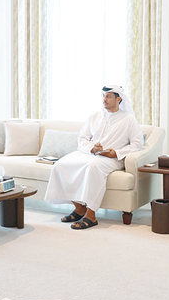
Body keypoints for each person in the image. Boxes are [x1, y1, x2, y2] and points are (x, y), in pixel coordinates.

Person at [44, 85, 144, 230]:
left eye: (108, 96)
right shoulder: (95, 116)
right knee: (61, 165)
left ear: (119, 99)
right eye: (103, 96)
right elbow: (82, 138)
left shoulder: (128, 119)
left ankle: (91, 215)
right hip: (90, 154)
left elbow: (137, 144)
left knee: (93, 167)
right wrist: (92, 148)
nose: (104, 99)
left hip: (112, 159)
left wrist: (115, 153)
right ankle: (79, 208)